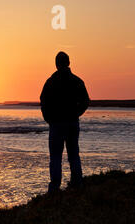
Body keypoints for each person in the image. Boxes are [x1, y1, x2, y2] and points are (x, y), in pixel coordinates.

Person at [40, 52, 90, 192]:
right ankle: (77, 184)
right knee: (73, 154)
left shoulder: (51, 81)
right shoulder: (76, 81)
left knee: (56, 157)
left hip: (57, 124)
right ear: (68, 62)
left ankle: (55, 187)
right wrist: (76, 114)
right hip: (70, 123)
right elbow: (85, 101)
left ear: (56, 64)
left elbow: (43, 101)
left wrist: (49, 118)